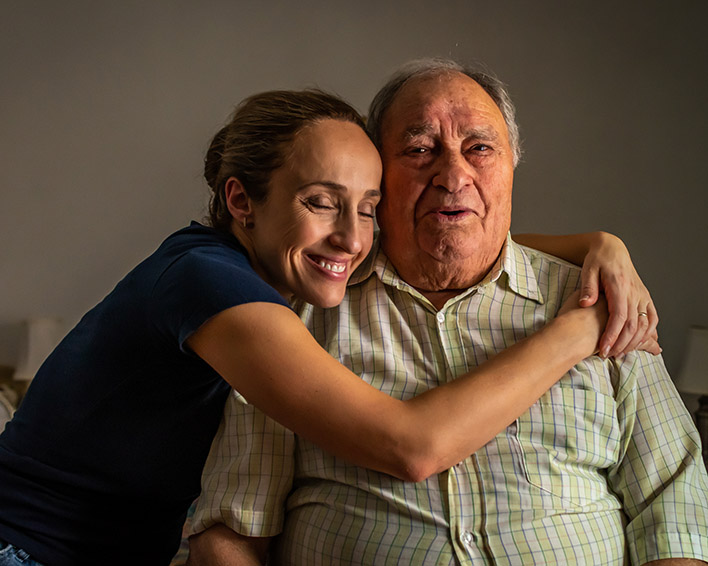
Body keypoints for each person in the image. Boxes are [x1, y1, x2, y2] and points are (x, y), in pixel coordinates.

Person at [0, 88, 656, 566]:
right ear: (241, 201)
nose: (351, 236)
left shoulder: (280, 267)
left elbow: (451, 242)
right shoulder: (210, 284)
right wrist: (579, 331)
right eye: (321, 202)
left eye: (369, 209)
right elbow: (410, 447)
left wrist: (599, 244)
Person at [188, 60, 708, 566]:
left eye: (479, 147)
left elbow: (675, 506)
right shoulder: (293, 317)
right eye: (419, 149)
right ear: (379, 177)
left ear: (511, 167)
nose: (454, 175)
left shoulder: (606, 295)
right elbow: (232, 531)